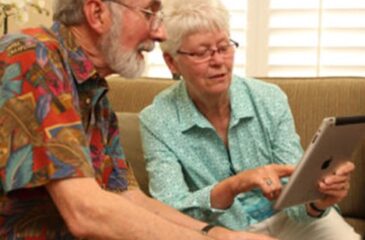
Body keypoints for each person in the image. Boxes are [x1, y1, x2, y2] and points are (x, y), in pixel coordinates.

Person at [0, 0, 276, 239]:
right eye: (149, 12)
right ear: (97, 13)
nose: (160, 32)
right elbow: (85, 212)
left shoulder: (94, 92)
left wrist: (218, 233)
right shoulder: (30, 57)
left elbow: (127, 196)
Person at [139, 0, 361, 239]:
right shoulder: (156, 121)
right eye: (203, 52)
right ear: (172, 62)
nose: (218, 61)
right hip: (222, 229)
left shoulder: (269, 98)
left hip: (288, 218)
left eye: (224, 47)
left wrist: (316, 202)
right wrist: (234, 185)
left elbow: (296, 193)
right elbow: (170, 210)